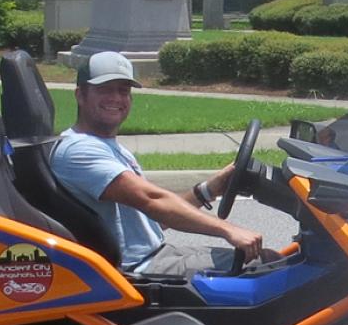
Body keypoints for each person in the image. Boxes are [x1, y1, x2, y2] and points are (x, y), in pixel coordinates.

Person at [51, 51, 269, 276]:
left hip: (157, 253)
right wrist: (228, 230)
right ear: (80, 95)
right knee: (268, 268)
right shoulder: (78, 150)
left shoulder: (108, 147)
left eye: (123, 90)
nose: (116, 98)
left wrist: (209, 189)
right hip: (136, 269)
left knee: (273, 260)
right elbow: (152, 200)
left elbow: (157, 217)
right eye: (105, 89)